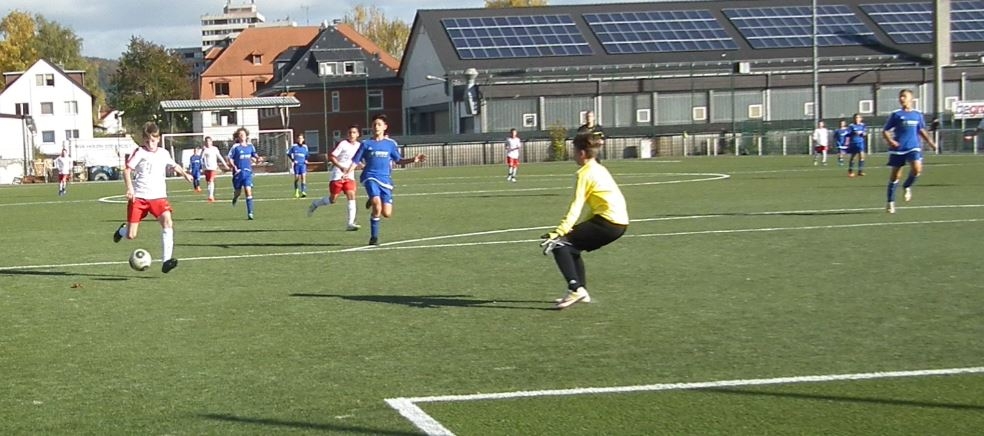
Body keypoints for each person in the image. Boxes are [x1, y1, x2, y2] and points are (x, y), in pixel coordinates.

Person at [540, 131, 628, 309]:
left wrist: (560, 230)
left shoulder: (584, 173)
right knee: (572, 247)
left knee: (559, 244)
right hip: (618, 223)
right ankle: (582, 292)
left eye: (574, 151)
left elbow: (576, 205)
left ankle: (575, 289)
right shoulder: (599, 168)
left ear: (581, 153)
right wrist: (574, 228)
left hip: (608, 223)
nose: (573, 155)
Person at [111, 121, 194, 273]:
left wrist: (185, 174)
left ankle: (166, 261)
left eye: (153, 140)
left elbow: (174, 165)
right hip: (139, 198)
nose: (150, 144)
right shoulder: (139, 152)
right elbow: (127, 170)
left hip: (158, 197)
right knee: (131, 235)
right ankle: (122, 231)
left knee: (168, 222)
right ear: (144, 139)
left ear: (158, 138)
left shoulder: (163, 153)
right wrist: (130, 188)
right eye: (147, 141)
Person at [352, 114, 426, 245]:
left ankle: (374, 198)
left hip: (385, 179)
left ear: (385, 127)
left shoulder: (390, 144)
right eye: (374, 124)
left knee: (387, 213)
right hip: (370, 176)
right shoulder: (366, 144)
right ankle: (374, 238)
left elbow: (398, 160)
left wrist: (413, 159)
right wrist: (347, 172)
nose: (376, 127)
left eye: (379, 124)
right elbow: (355, 161)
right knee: (377, 206)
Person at [882, 89, 937, 214]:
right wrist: (890, 141)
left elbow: (921, 130)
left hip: (913, 147)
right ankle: (890, 202)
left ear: (911, 99)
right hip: (898, 149)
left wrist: (931, 143)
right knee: (895, 176)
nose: (902, 99)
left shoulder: (917, 114)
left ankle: (907, 186)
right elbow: (885, 130)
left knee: (917, 169)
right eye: (900, 96)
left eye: (904, 96)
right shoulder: (896, 114)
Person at [308, 125, 362, 230]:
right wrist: (341, 167)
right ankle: (316, 203)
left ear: (358, 134)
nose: (352, 134)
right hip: (337, 175)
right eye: (350, 132)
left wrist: (362, 165)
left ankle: (350, 223)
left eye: (354, 132)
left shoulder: (359, 146)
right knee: (332, 199)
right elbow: (332, 156)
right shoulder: (343, 144)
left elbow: (356, 159)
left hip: (349, 176)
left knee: (351, 195)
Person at [227, 127, 259, 220]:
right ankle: (235, 197)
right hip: (238, 173)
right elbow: (230, 158)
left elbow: (254, 154)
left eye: (243, 134)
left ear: (246, 136)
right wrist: (234, 166)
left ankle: (250, 213)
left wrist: (257, 158)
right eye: (240, 135)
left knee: (248, 191)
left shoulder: (250, 146)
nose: (242, 136)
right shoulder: (235, 147)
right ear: (238, 137)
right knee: (238, 192)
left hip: (248, 172)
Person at [200, 136, 229, 202]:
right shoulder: (205, 149)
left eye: (209, 141)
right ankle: (210, 195)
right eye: (206, 141)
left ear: (211, 142)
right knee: (208, 182)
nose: (208, 143)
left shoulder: (215, 149)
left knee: (211, 180)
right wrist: (201, 167)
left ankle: (211, 196)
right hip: (206, 168)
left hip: (213, 167)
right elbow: (201, 158)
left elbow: (219, 157)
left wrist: (225, 164)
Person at [287, 134, 309, 198]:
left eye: (301, 138)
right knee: (297, 178)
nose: (300, 140)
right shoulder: (294, 146)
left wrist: (306, 160)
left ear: (303, 139)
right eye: (299, 138)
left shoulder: (305, 147)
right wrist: (293, 160)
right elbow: (288, 153)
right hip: (297, 165)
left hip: (303, 164)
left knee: (303, 177)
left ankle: (303, 191)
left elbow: (307, 155)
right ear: (297, 139)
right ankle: (296, 191)